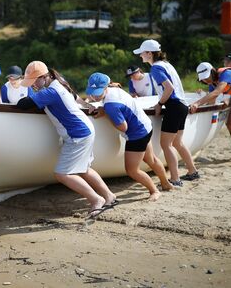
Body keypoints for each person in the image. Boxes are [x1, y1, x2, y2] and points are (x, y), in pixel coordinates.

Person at [16, 61, 117, 219]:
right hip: (85, 129)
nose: (33, 85)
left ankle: (96, 199)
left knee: (62, 174)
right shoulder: (59, 83)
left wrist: (34, 96)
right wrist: (86, 104)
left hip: (77, 134)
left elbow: (22, 104)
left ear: (44, 77)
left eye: (34, 81)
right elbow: (75, 96)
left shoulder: (49, 92)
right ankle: (109, 196)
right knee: (83, 169)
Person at [86, 73, 175, 201]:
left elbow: (123, 127)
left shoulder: (110, 106)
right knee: (151, 159)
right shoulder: (114, 89)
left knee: (132, 170)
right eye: (92, 92)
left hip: (137, 134)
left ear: (105, 87)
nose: (94, 96)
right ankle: (166, 184)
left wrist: (106, 113)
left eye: (97, 92)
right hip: (145, 126)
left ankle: (154, 191)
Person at [133, 39, 198, 185]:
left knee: (166, 144)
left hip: (174, 106)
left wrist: (160, 104)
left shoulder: (156, 68)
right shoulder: (167, 65)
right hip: (181, 106)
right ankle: (192, 171)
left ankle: (175, 179)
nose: (140, 56)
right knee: (177, 143)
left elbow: (169, 88)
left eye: (142, 53)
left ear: (149, 53)